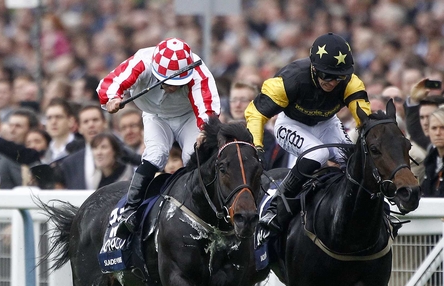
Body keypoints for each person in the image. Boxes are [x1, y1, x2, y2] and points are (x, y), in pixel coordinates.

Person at [245, 33, 371, 245]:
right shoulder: (289, 80)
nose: (332, 83)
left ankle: (375, 211)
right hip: (290, 124)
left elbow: (364, 119)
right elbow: (256, 113)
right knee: (318, 154)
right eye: (326, 75)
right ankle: (277, 206)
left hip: (327, 123)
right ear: (314, 67)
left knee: (354, 161)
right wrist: (256, 147)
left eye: (338, 77)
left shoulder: (351, 82)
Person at [97, 37, 220, 232]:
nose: (173, 88)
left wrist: (205, 130)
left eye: (179, 82)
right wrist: (112, 98)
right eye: (169, 83)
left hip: (188, 117)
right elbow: (111, 82)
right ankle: (130, 209)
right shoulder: (141, 62)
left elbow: (207, 108)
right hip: (155, 116)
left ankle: (202, 208)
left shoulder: (198, 71)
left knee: (193, 156)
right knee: (156, 154)